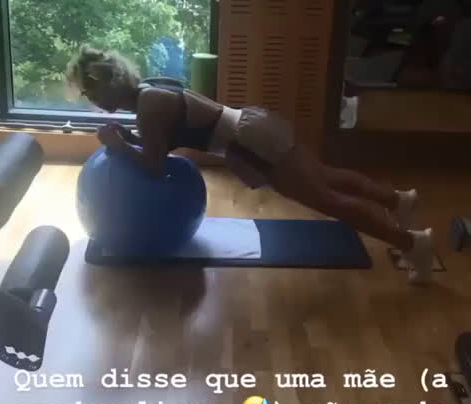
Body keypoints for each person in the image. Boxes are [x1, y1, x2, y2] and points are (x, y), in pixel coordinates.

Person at [66, 46, 435, 284]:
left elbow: (153, 166)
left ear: (109, 83)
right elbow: (157, 143)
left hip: (249, 141)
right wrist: (127, 140)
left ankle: (413, 243)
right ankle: (398, 201)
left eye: (91, 91)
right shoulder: (148, 92)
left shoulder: (148, 107)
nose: (92, 100)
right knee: (326, 178)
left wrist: (119, 144)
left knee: (328, 200)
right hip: (249, 129)